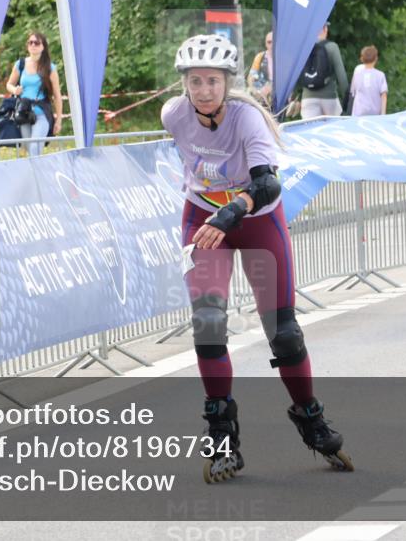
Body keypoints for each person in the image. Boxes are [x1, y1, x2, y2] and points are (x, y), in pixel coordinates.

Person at [161, 34, 353, 484]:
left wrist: (229, 213)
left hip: (256, 219)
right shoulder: (173, 115)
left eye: (212, 81)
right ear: (184, 84)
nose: (204, 89)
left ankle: (309, 415)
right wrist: (215, 212)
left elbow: (267, 186)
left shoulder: (248, 119)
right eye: (195, 81)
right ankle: (221, 431)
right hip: (204, 220)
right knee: (208, 324)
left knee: (283, 334)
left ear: (228, 83)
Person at [5, 31, 64, 156]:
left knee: (35, 148)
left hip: (42, 113)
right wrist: (14, 90)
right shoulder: (20, 64)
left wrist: (59, 120)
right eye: (30, 42)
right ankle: (36, 174)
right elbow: (9, 84)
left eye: (36, 43)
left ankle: (39, 175)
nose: (33, 45)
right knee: (28, 148)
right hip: (23, 113)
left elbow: (57, 96)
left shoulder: (50, 68)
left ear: (43, 47)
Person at [299, 22, 348, 119]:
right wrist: (347, 99)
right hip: (329, 97)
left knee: (310, 131)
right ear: (325, 29)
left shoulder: (303, 47)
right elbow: (341, 76)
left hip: (308, 97)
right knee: (333, 131)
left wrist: (293, 97)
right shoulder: (332, 47)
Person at [348, 45, 388, 116]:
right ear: (376, 58)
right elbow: (384, 96)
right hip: (374, 114)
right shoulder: (380, 75)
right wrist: (383, 114)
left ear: (362, 58)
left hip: (358, 112)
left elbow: (353, 92)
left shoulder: (357, 71)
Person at [246, 31, 273, 109]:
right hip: (263, 96)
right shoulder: (260, 56)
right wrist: (254, 91)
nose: (271, 45)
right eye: (269, 42)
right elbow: (251, 77)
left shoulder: (284, 57)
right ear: (266, 44)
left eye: (273, 42)